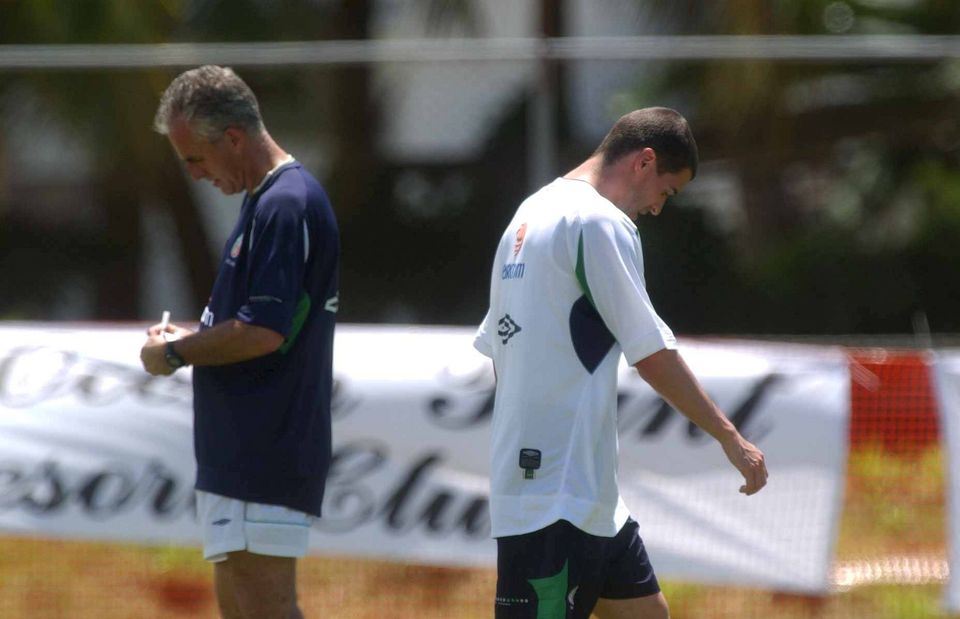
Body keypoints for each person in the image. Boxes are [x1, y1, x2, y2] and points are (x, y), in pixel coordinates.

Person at [473, 107, 768, 619]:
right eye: (667, 192)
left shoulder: (528, 213)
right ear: (645, 161)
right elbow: (651, 355)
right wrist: (730, 438)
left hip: (581, 494)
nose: (657, 209)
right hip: (557, 496)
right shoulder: (599, 222)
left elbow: (501, 349)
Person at [140, 65, 339, 619]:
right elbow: (251, 321)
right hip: (241, 450)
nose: (197, 174)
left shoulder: (285, 203)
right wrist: (189, 335)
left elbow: (263, 330)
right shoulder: (265, 202)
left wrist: (177, 353)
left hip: (266, 447)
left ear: (232, 138)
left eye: (196, 159)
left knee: (266, 609)